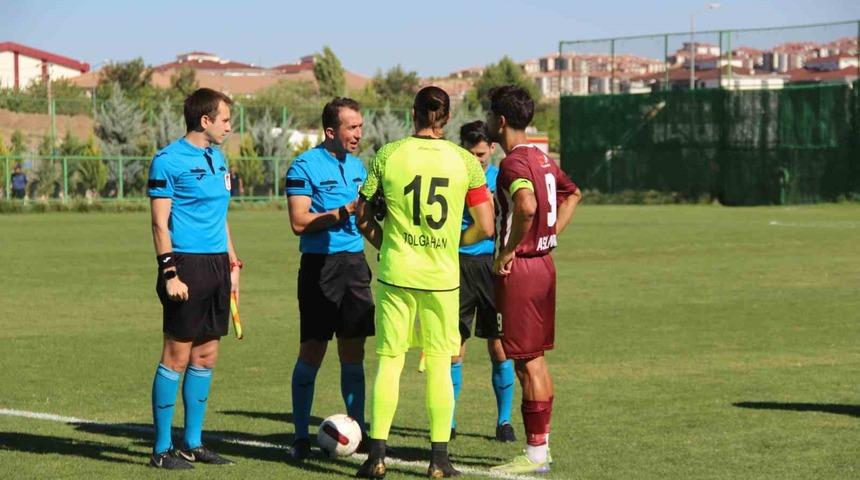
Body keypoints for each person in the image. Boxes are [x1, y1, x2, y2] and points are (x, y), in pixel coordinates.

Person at [354, 86, 495, 478]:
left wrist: (384, 243)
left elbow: (362, 214)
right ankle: (439, 460)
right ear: (447, 118)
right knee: (438, 365)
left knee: (389, 361)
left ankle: (377, 456)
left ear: (412, 113)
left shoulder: (388, 154)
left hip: (397, 273)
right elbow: (486, 226)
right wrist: (452, 244)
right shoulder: (465, 160)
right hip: (442, 278)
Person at [486, 85, 582, 474]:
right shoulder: (540, 158)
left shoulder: (512, 164)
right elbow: (573, 193)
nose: (489, 121)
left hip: (523, 269)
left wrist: (508, 251)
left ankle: (535, 454)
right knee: (534, 361)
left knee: (527, 363)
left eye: (491, 115)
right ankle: (541, 447)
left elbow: (525, 206)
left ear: (502, 120)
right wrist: (551, 232)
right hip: (544, 264)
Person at [147, 87, 242, 469]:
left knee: (206, 355)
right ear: (205, 121)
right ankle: (160, 449)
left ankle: (193, 442)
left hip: (218, 265)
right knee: (177, 355)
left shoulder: (218, 158)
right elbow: (158, 223)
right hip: (185, 266)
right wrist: (170, 273)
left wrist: (233, 265)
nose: (229, 128)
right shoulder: (167, 161)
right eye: (225, 120)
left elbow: (221, 217)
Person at [284, 97, 374, 460]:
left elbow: (366, 219)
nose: (358, 134)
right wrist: (341, 211)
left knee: (354, 353)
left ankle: (359, 431)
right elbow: (298, 222)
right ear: (331, 131)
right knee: (313, 351)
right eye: (352, 127)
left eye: (361, 127)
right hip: (320, 267)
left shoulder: (358, 167)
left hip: (354, 265)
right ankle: (300, 436)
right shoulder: (303, 165)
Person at [449, 121, 516, 443]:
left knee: (500, 346)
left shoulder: (501, 177)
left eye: (481, 154)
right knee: (453, 348)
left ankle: (504, 422)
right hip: (458, 264)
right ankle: (447, 421)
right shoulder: (451, 175)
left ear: (492, 148)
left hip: (492, 265)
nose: (476, 160)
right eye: (470, 153)